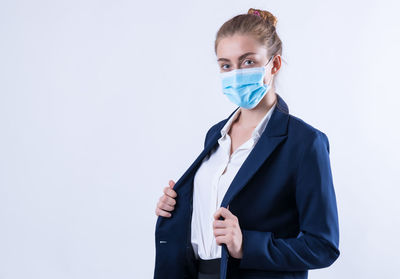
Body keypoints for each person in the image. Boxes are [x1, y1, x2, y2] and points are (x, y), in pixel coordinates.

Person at [154, 8, 340, 279]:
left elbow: (323, 246)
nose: (236, 73)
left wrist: (246, 245)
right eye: (226, 65)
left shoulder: (305, 143)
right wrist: (177, 208)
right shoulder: (216, 135)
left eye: (248, 61)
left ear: (274, 65)